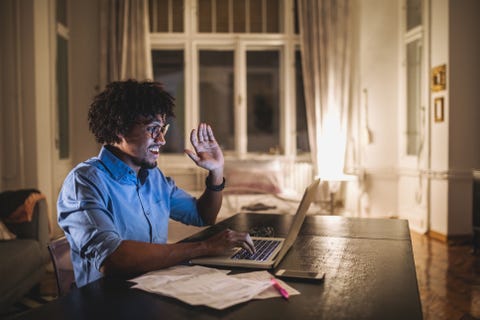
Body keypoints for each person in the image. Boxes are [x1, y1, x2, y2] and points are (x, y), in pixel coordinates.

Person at [57, 79, 255, 287]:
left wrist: (216, 170)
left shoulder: (154, 177)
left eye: (162, 129)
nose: (161, 139)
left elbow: (203, 215)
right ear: (119, 128)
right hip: (108, 303)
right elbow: (114, 258)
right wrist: (204, 247)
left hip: (155, 288)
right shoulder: (85, 182)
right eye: (153, 129)